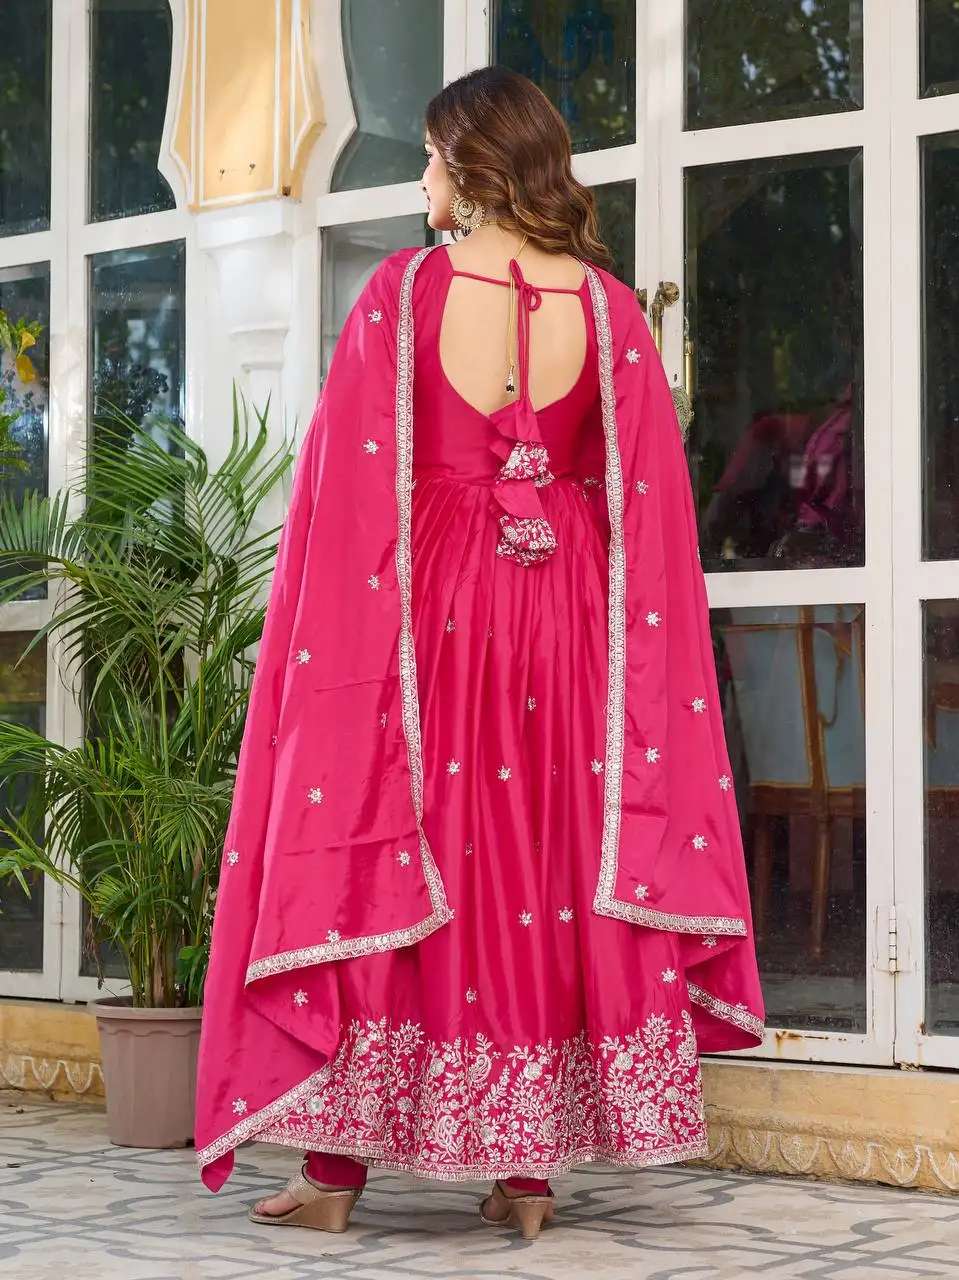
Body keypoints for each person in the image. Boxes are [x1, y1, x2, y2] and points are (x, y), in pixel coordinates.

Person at [193, 66, 765, 1242]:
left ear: (466, 163)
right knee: (548, 858)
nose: (420, 177)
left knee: (411, 852)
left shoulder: (404, 294)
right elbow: (644, 505)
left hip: (435, 610)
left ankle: (334, 1172)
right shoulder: (605, 310)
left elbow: (346, 499)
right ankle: (525, 1173)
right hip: (571, 610)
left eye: (427, 155)